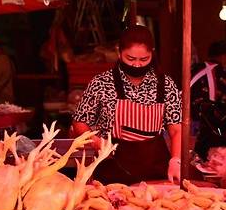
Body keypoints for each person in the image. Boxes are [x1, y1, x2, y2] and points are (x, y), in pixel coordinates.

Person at [72, 25, 182, 185]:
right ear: (119, 52)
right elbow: (79, 122)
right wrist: (97, 142)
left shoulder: (165, 84)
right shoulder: (101, 83)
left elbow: (176, 129)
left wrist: (176, 160)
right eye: (130, 59)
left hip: (155, 175)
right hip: (112, 172)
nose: (137, 65)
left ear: (152, 53)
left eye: (144, 59)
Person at [190, 41, 226, 160]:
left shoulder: (195, 69)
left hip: (190, 121)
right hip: (211, 127)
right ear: (224, 56)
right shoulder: (221, 72)